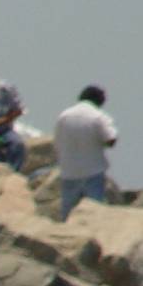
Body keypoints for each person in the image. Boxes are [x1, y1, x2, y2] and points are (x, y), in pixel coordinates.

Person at [52, 85, 117, 219]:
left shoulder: (64, 116)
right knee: (94, 212)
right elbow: (111, 139)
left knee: (68, 213)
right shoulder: (98, 116)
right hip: (92, 171)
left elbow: (57, 141)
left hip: (69, 171)